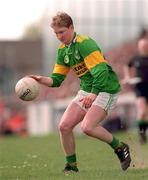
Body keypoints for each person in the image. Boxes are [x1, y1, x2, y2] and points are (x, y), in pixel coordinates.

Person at [29, 12, 131, 172]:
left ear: (71, 27)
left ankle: (120, 147)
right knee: (64, 126)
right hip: (87, 90)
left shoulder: (85, 43)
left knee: (87, 127)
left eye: (62, 31)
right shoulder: (63, 50)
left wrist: (93, 93)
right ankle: (71, 166)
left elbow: (102, 72)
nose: (59, 36)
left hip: (106, 88)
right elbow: (56, 80)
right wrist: (41, 80)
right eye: (56, 33)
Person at [123, 38, 148, 144]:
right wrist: (127, 76)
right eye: (142, 46)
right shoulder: (136, 58)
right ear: (139, 47)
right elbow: (127, 65)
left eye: (145, 45)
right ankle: (142, 134)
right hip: (140, 88)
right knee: (142, 112)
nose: (144, 47)